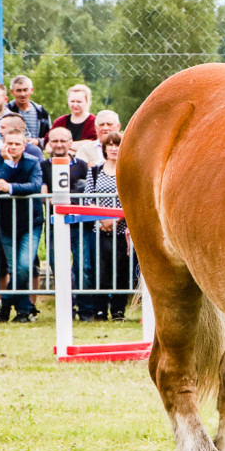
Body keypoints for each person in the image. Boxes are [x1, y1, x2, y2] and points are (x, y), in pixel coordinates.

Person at [0, 131, 44, 322]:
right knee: (14, 267)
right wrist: (8, 164)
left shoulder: (33, 161)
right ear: (3, 144)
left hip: (30, 222)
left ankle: (5, 303)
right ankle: (23, 311)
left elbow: (35, 186)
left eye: (17, 144)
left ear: (24, 146)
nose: (13, 147)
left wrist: (10, 188)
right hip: (5, 223)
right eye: (9, 143)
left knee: (24, 266)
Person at [42, 127, 93, 321]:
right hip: (56, 224)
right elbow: (44, 194)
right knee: (58, 266)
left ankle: (86, 309)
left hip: (80, 224)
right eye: (55, 141)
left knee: (84, 267)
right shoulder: (44, 166)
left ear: (71, 143)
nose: (59, 144)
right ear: (49, 144)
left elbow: (88, 192)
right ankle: (66, 308)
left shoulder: (82, 165)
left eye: (63, 140)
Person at [83, 132, 130, 321]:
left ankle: (118, 311)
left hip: (122, 230)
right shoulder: (95, 171)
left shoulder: (128, 172)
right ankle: (99, 311)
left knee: (122, 271)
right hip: (99, 229)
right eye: (109, 144)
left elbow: (131, 199)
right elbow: (87, 198)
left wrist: (115, 219)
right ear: (104, 148)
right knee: (100, 271)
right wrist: (102, 218)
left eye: (117, 144)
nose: (113, 148)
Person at [6, 75, 51, 146]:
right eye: (19, 90)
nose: (22, 94)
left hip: (36, 153)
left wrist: (38, 142)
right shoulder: (7, 111)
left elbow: (49, 137)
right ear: (12, 92)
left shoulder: (41, 112)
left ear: (31, 90)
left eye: (25, 90)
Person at [50, 84, 97, 149]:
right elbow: (48, 146)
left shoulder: (95, 122)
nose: (75, 105)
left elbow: (95, 145)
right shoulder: (60, 122)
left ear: (87, 101)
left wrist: (63, 147)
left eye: (79, 102)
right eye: (72, 101)